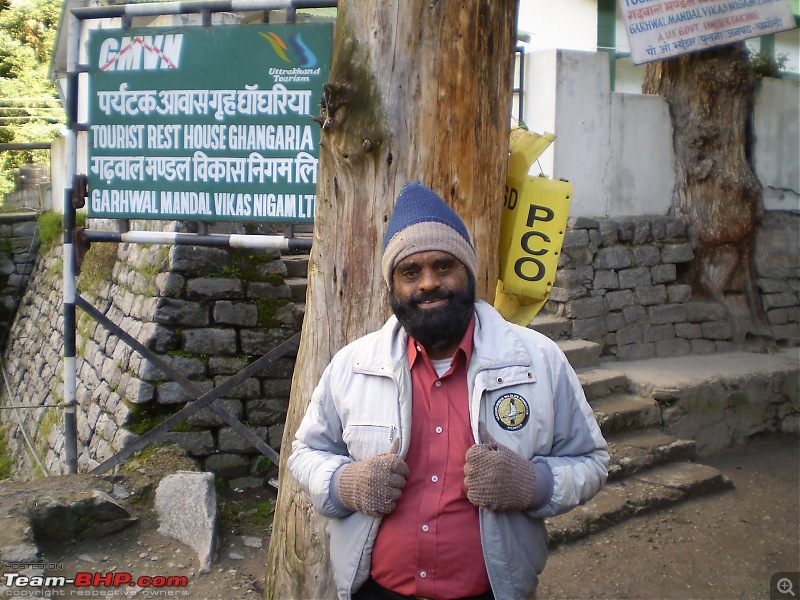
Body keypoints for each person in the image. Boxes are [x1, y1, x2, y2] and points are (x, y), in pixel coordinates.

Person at [288, 182, 609, 600]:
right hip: (376, 590)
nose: (427, 283)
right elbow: (305, 453)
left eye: (443, 266)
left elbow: (592, 461)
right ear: (393, 287)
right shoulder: (353, 365)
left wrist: (535, 484)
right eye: (410, 272)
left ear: (469, 273)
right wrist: (344, 483)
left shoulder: (537, 361)